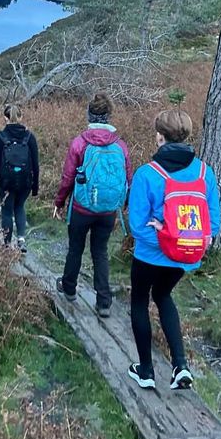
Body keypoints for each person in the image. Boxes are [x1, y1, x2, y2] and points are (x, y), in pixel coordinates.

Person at [127, 108, 220, 391]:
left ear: (159, 137)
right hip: (183, 258)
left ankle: (145, 370)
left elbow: (137, 226)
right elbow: (212, 226)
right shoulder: (205, 173)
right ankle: (180, 365)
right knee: (164, 295)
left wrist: (163, 238)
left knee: (140, 302)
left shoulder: (147, 174)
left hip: (148, 256)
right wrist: (181, 241)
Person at [53, 93, 132, 317]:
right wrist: (124, 203)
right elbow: (128, 178)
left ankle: (69, 289)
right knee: (100, 251)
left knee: (75, 248)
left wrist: (59, 202)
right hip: (108, 210)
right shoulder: (121, 146)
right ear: (109, 115)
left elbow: (68, 178)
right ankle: (104, 302)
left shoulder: (80, 143)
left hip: (81, 208)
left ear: (89, 114)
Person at [0, 104, 39, 252]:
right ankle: (21, 240)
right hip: (25, 182)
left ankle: (7, 245)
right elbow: (35, 164)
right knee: (20, 207)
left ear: (5, 118)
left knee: (7, 211)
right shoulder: (30, 137)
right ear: (21, 117)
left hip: (6, 182)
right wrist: (35, 187)